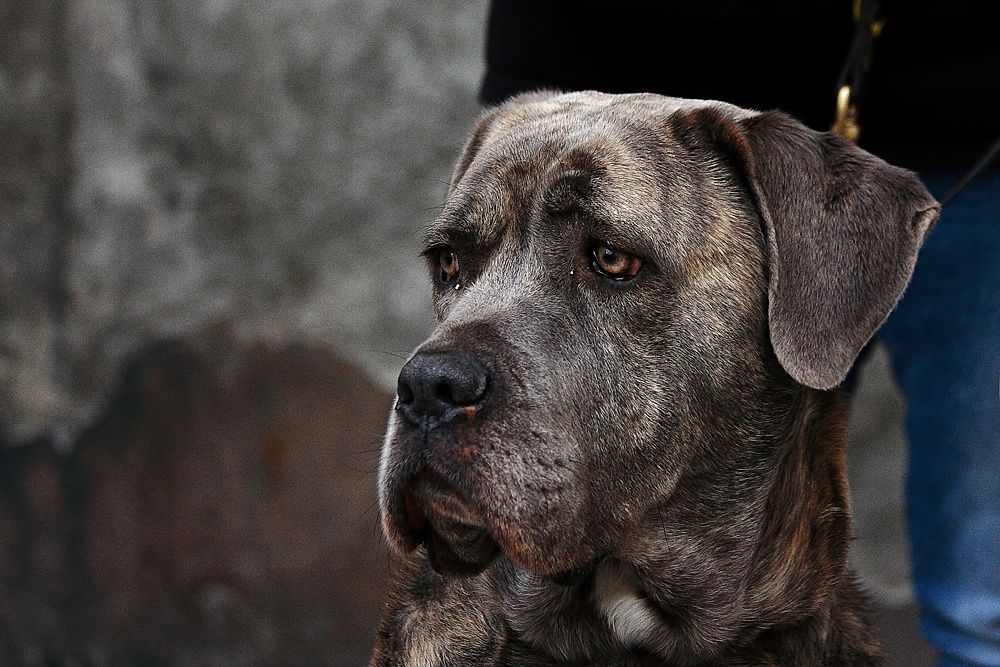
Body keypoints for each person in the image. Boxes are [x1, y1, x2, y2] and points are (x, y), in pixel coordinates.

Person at [479, 1, 1000, 666]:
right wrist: (530, 85)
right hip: (655, 156)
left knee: (984, 601)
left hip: (968, 133)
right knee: (582, 586)